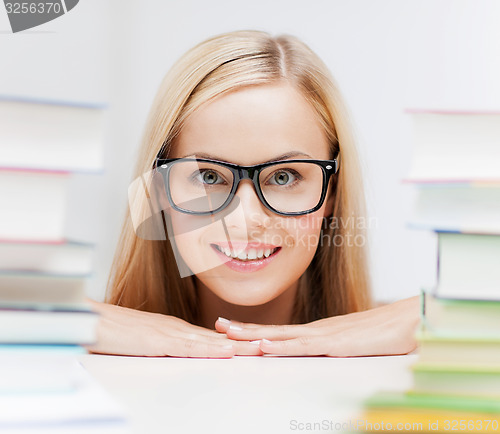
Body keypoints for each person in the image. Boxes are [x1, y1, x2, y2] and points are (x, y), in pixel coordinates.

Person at [86, 30, 419, 358]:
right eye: (209, 175)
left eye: (284, 176)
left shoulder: (414, 335)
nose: (245, 219)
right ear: (159, 188)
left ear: (332, 191)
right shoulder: (81, 338)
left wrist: (431, 314)